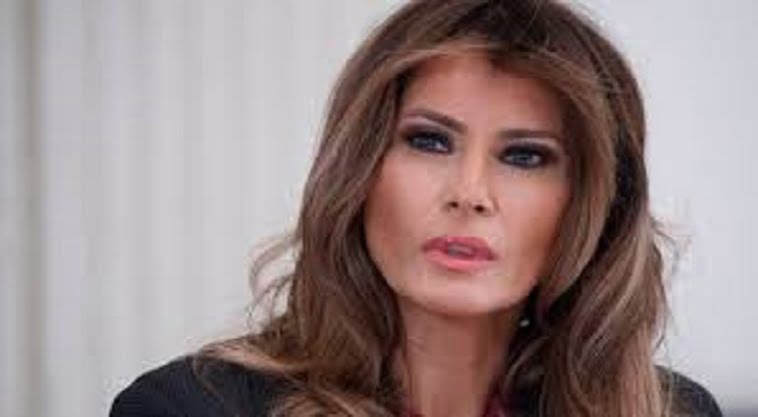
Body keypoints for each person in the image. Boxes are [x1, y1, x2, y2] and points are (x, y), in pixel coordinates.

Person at [110, 1, 723, 416]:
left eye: (525, 156)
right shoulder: (188, 407)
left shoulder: (669, 412)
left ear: (594, 204)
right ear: (359, 170)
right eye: (429, 141)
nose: (470, 192)